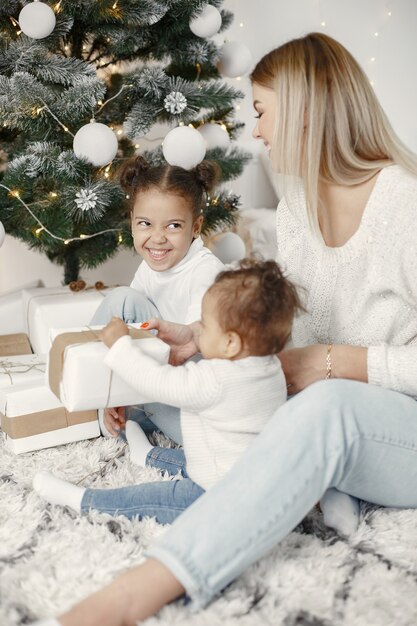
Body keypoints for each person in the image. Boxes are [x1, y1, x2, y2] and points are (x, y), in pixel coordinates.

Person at [32, 31, 417, 626]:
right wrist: (202, 339)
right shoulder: (299, 206)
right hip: (318, 407)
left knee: (328, 406)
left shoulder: (406, 206)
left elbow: (325, 362)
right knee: (214, 390)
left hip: (390, 421)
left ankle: (143, 589)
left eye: (262, 112)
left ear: (308, 112)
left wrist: (336, 361)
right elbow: (282, 330)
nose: (256, 131)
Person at [33, 259, 301, 523]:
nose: (199, 332)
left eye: (204, 326)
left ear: (230, 342)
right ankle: (149, 455)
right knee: (206, 459)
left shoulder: (216, 379)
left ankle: (82, 499)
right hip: (256, 479)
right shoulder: (270, 368)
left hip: (223, 497)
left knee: (149, 498)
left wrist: (120, 346)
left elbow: (157, 382)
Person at [91, 155, 224, 441]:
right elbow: (131, 323)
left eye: (173, 226)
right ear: (132, 223)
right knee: (122, 299)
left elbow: (194, 347)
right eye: (145, 224)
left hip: (193, 386)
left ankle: (150, 436)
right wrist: (116, 385)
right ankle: (98, 389)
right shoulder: (149, 266)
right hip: (160, 367)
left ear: (196, 227)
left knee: (198, 442)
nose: (157, 238)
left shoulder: (205, 270)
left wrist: (142, 381)